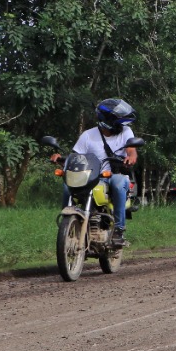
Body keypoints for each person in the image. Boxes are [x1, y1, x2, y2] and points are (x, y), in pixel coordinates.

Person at [52, 98, 138, 247]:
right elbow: (75, 156)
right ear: (108, 120)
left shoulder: (126, 132)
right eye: (118, 121)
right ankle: (67, 225)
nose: (122, 125)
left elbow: (132, 151)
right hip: (90, 177)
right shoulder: (88, 135)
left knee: (119, 183)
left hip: (113, 175)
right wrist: (60, 159)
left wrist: (130, 157)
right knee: (67, 186)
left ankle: (118, 229)